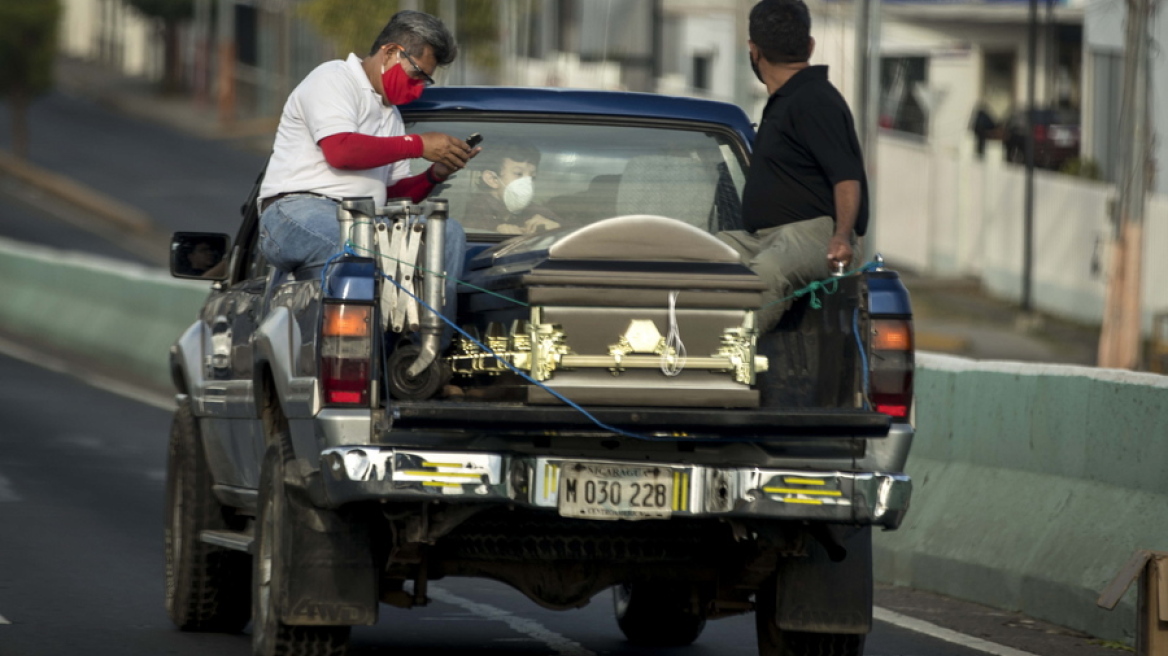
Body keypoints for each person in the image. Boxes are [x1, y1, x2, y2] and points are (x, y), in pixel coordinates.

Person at [257, 10, 477, 325]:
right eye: (416, 75)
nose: (417, 90)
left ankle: (424, 353)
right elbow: (340, 151)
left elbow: (393, 195)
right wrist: (418, 144)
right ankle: (352, 351)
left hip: (363, 219)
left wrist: (435, 174)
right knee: (357, 244)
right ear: (389, 52)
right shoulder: (334, 79)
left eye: (424, 82)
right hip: (295, 212)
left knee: (448, 234)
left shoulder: (391, 116)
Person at [717, 0, 869, 334]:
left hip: (814, 233)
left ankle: (721, 355)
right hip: (764, 237)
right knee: (702, 252)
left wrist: (842, 236)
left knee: (768, 272)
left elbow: (846, 176)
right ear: (809, 45)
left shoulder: (815, 99)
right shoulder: (788, 100)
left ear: (753, 51)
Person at [468, 141, 560, 235]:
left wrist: (556, 227)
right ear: (492, 179)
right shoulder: (473, 211)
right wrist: (494, 231)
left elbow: (572, 231)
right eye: (518, 174)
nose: (527, 183)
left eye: (532, 177)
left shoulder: (533, 210)